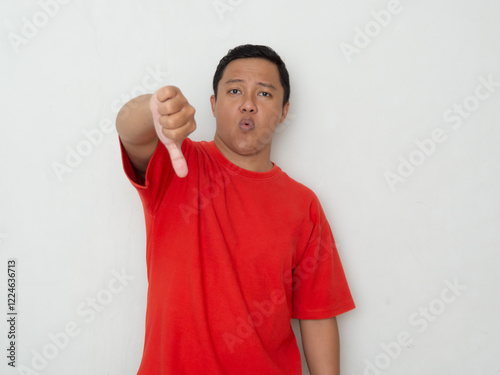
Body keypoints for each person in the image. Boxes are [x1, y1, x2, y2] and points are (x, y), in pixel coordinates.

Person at [116, 44, 355, 375]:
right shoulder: (177, 166)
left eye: (265, 94)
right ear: (213, 105)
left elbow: (318, 317)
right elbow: (131, 132)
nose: (248, 104)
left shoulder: (304, 205)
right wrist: (153, 110)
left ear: (284, 111)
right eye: (234, 90)